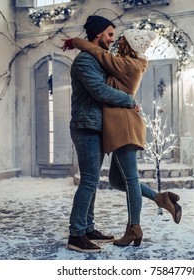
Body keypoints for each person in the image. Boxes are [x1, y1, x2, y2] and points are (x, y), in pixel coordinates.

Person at [64, 29, 182, 247]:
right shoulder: (124, 62)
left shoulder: (127, 63)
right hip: (118, 126)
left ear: (128, 44)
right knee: (117, 181)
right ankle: (161, 198)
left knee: (129, 179)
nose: (115, 41)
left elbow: (98, 55)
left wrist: (76, 41)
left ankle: (134, 228)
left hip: (124, 126)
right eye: (112, 36)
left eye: (119, 39)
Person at [62, 15, 139, 253]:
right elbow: (99, 91)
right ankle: (76, 235)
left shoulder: (96, 58)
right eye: (109, 34)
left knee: (92, 181)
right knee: (88, 181)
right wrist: (128, 100)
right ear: (98, 35)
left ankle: (88, 227)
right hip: (86, 126)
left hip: (95, 126)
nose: (112, 40)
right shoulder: (85, 61)